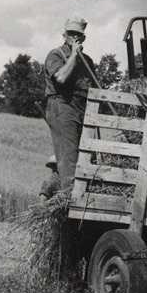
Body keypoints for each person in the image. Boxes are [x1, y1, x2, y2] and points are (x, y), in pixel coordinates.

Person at [39, 16, 98, 200]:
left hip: (82, 109)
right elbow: (62, 78)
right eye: (71, 34)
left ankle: (83, 198)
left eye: (78, 35)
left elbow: (94, 91)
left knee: (88, 157)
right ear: (64, 35)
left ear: (84, 38)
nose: (75, 38)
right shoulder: (55, 55)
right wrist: (74, 54)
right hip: (62, 106)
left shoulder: (88, 61)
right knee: (69, 158)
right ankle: (69, 202)